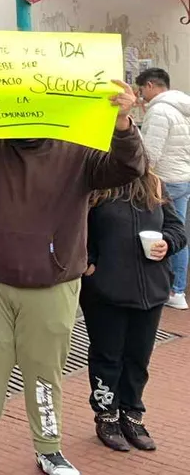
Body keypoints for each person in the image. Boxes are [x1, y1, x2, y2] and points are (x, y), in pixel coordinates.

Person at [0, 80, 145, 475]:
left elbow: (129, 166)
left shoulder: (78, 148)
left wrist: (122, 121)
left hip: (53, 281)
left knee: (44, 371)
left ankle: (49, 448)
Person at [81, 168, 186, 452]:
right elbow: (76, 230)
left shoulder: (154, 185)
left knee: (138, 358)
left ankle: (131, 413)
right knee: (107, 356)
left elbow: (177, 228)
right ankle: (106, 415)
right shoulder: (95, 186)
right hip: (105, 291)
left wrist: (168, 242)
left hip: (150, 291)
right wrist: (89, 262)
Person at [134, 67, 190, 309]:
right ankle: (177, 290)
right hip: (183, 177)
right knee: (178, 231)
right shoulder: (182, 107)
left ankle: (173, 290)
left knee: (158, 233)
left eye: (140, 90)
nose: (140, 95)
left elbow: (149, 154)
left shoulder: (159, 111)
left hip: (165, 181)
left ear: (150, 85)